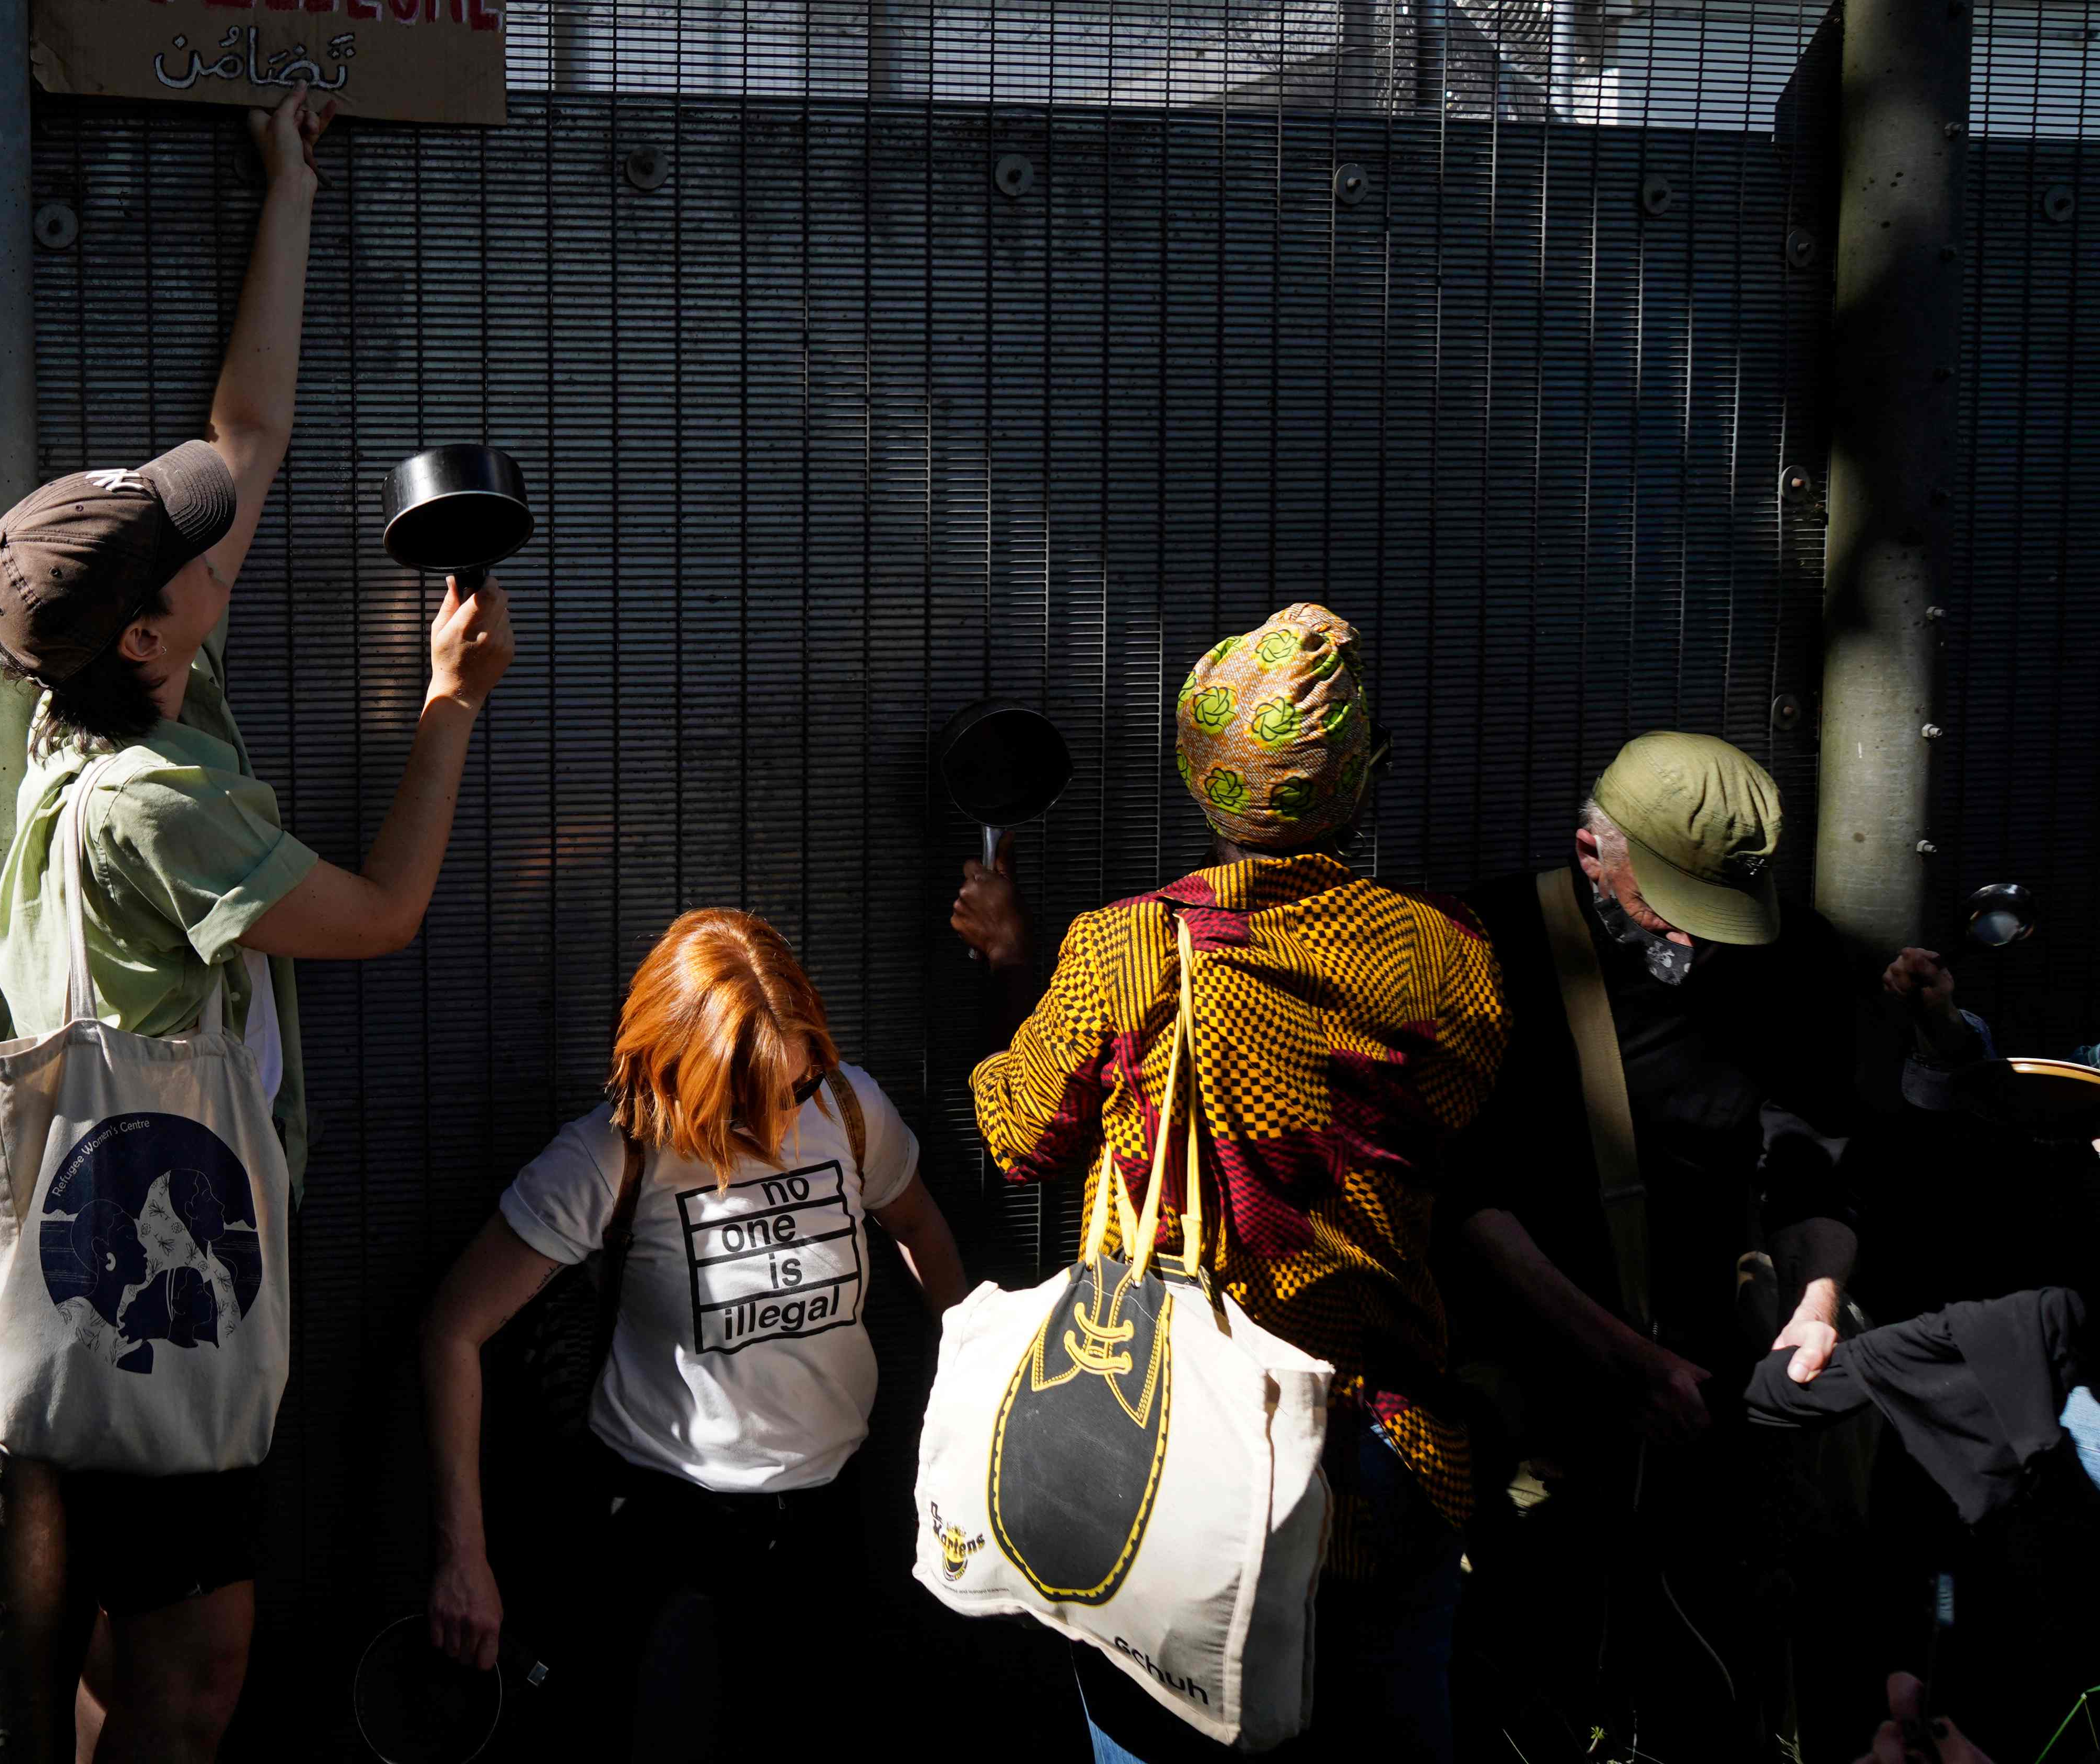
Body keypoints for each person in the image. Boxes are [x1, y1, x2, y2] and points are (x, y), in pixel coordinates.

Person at [0, 90, 519, 1764]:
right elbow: (384, 915)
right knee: (200, 1664)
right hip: (171, 1264)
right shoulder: (162, 799)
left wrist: (287, 185)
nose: (229, 546)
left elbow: (249, 428)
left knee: (122, 1644)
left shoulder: (94, 710)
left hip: (89, 1251)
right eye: (196, 558)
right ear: (146, 633)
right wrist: (450, 709)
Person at [969, 604, 1508, 1763]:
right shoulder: (1443, 953)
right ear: (1366, 778)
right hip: (1382, 1453)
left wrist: (1015, 976)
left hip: (1172, 1456)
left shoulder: (1122, 950)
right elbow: (1454, 1110)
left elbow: (1022, 1131)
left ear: (1196, 773)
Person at [1440, 733, 1922, 1752]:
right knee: (1544, 1669)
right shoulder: (1491, 944)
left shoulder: (1789, 952)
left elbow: (1811, 1148)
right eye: (1673, 903)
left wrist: (1820, 1298)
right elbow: (1467, 1197)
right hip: (1549, 1377)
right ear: (1591, 852)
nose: (1701, 943)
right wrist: (1623, 1359)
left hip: (1718, 1381)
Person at [419, 909, 966, 1755]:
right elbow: (453, 1332)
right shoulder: (614, 1158)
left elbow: (922, 1231)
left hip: (827, 1521)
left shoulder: (851, 1111)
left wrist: (972, 1381)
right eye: (753, 1104)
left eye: (800, 1086)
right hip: (657, 1532)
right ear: (687, 1076)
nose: (786, 1121)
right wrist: (464, 1556)